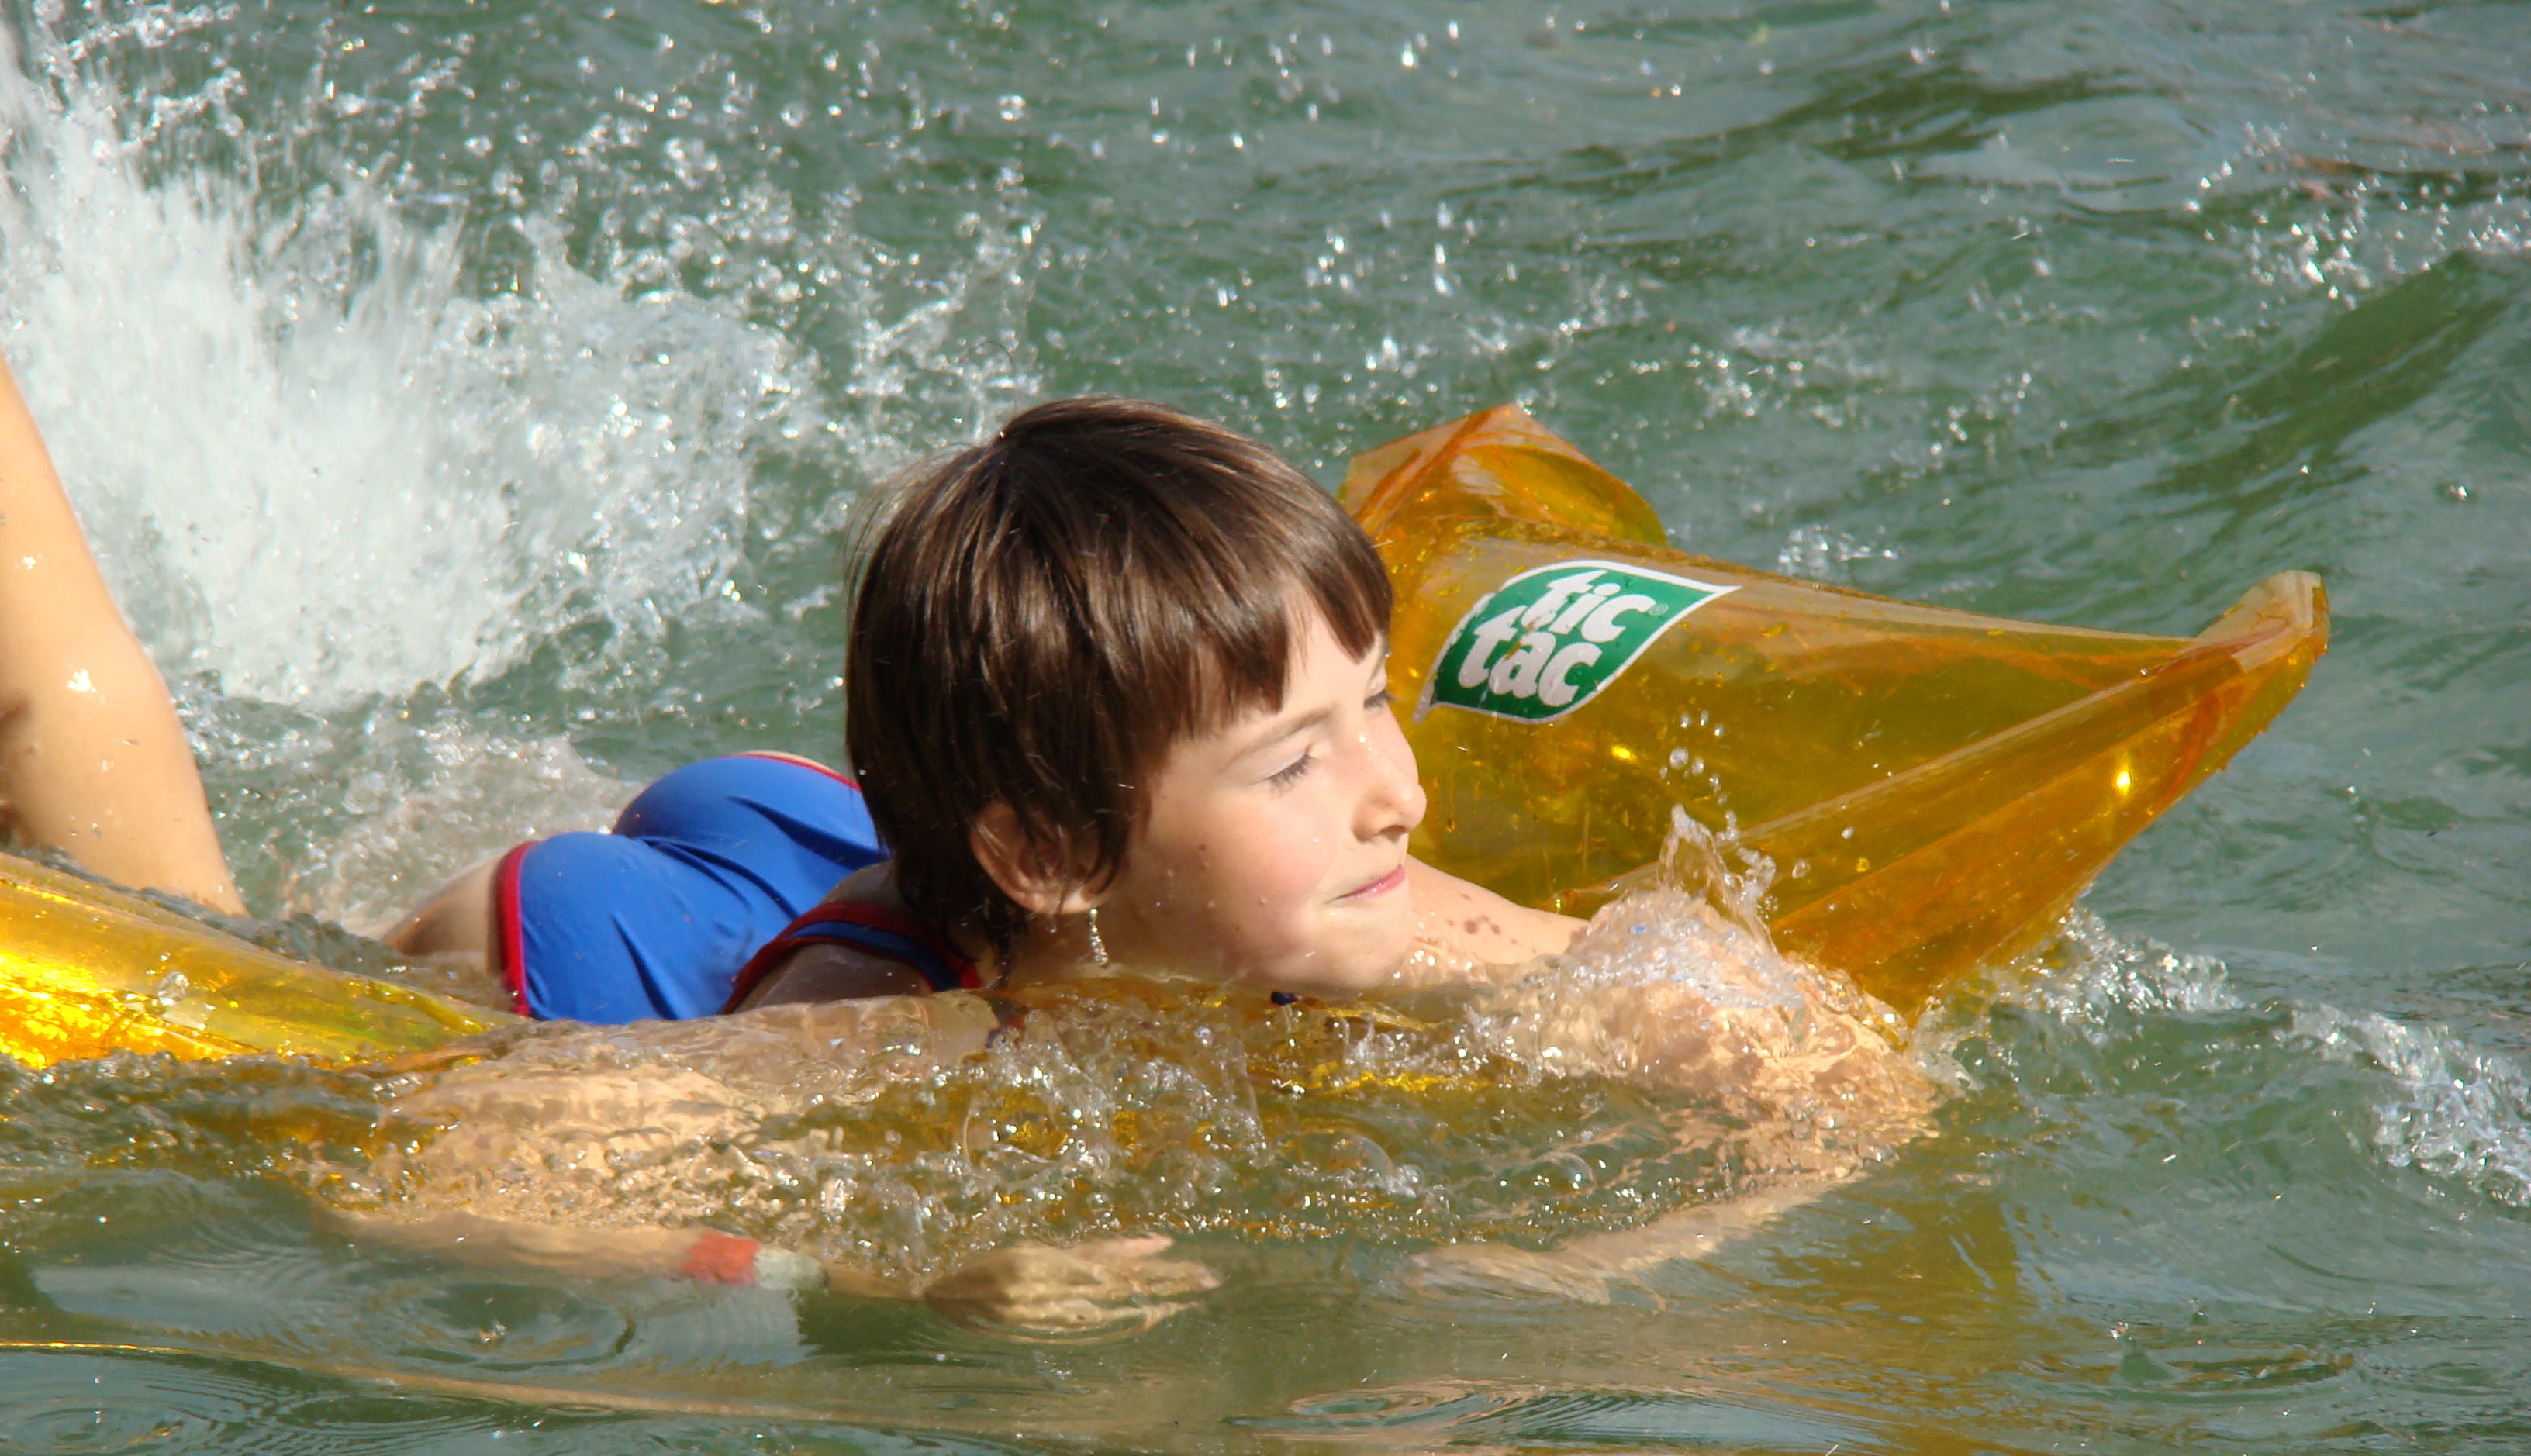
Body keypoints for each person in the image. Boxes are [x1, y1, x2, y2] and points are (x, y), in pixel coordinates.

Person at [0, 355, 1932, 1329]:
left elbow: (1833, 1071)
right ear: (1059, 850)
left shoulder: (1363, 903)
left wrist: (1588, 1264)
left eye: (1378, 704)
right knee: (345, 970)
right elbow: (410, 1185)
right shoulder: (873, 1037)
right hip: (622, 947)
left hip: (884, 822)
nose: (1394, 796)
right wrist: (864, 1280)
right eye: (1292, 761)